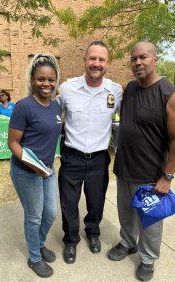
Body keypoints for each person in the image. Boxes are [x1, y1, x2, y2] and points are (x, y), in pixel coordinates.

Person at [108, 41, 175, 281]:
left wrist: (167, 177)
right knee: (125, 214)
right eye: (133, 59)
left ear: (155, 59)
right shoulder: (129, 89)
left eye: (143, 57)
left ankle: (148, 259)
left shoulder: (171, 94)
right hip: (125, 168)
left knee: (150, 223)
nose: (137, 62)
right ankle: (127, 242)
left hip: (151, 175)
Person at [57, 40, 123, 264]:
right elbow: (52, 118)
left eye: (101, 59)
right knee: (68, 203)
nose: (96, 63)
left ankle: (93, 232)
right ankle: (70, 239)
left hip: (99, 159)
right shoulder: (67, 89)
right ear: (85, 60)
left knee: (96, 201)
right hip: (72, 157)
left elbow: (133, 119)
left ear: (108, 63)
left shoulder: (115, 91)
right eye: (92, 58)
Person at [8, 54, 62, 278]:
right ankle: (34, 257)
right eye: (41, 79)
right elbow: (12, 143)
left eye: (50, 79)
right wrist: (34, 166)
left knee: (50, 213)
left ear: (56, 80)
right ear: (32, 79)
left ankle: (39, 243)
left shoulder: (56, 105)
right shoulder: (24, 107)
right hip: (26, 173)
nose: (46, 84)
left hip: (48, 171)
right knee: (34, 217)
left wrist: (45, 167)